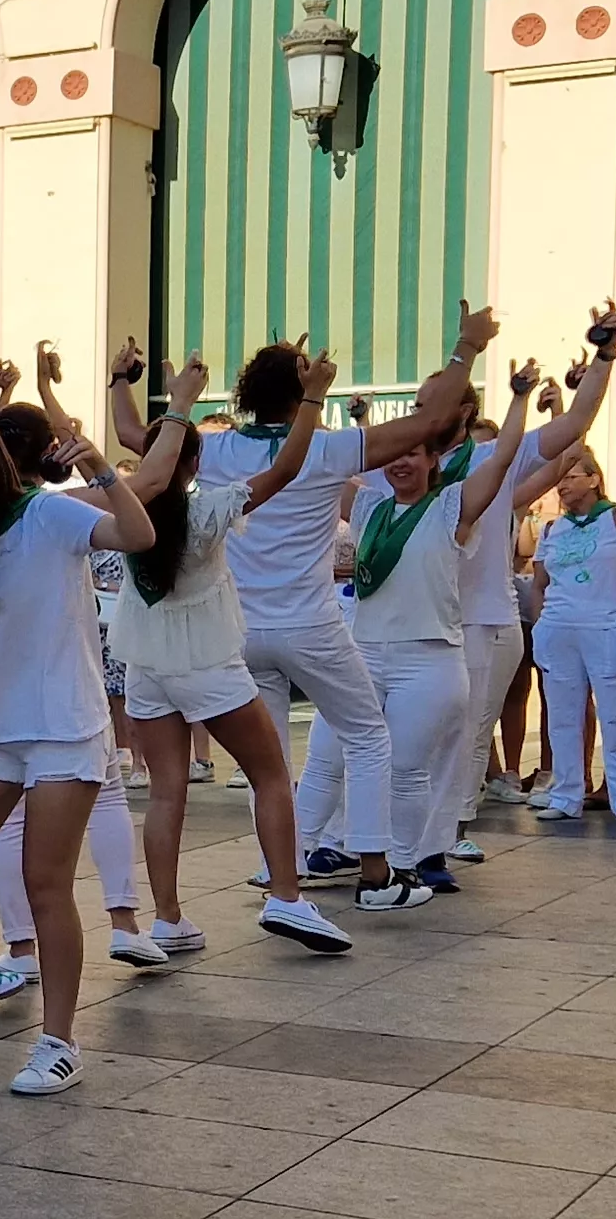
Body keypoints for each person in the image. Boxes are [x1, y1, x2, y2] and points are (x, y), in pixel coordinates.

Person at [0, 355, 166, 1090]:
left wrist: (105, 472)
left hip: (62, 727)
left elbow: (138, 539)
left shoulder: (47, 514)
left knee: (43, 880)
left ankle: (58, 1041)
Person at [208, 314, 521, 885]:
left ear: (247, 391)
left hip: (243, 633)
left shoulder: (214, 450)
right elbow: (431, 418)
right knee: (369, 739)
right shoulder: (329, 452)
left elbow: (136, 440)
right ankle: (380, 875)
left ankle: (282, 877)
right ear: (307, 393)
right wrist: (467, 346)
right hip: (313, 630)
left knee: (268, 766)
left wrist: (147, 392)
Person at [101, 343, 350, 960]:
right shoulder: (209, 510)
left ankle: (167, 919)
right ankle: (287, 896)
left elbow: (133, 436)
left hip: (146, 665)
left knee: (165, 791)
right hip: (207, 661)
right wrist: (313, 397)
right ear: (193, 463)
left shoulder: (119, 510)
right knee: (270, 774)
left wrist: (119, 381)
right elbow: (288, 469)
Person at [320, 346, 534, 905]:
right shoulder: (368, 508)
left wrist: (518, 399)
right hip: (367, 654)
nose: (402, 463)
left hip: (429, 657)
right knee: (362, 761)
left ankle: (405, 865)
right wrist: (306, 404)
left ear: (433, 460)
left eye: (415, 455)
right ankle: (368, 869)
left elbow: (504, 456)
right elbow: (315, 467)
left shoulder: (452, 508)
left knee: (408, 769)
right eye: (396, 455)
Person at [528, 445, 616, 825]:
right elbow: (539, 582)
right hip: (559, 625)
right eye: (558, 480)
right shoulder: (551, 527)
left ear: (594, 479)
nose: (562, 487)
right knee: (563, 716)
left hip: (607, 624)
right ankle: (566, 794)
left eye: (570, 478)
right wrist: (540, 624)